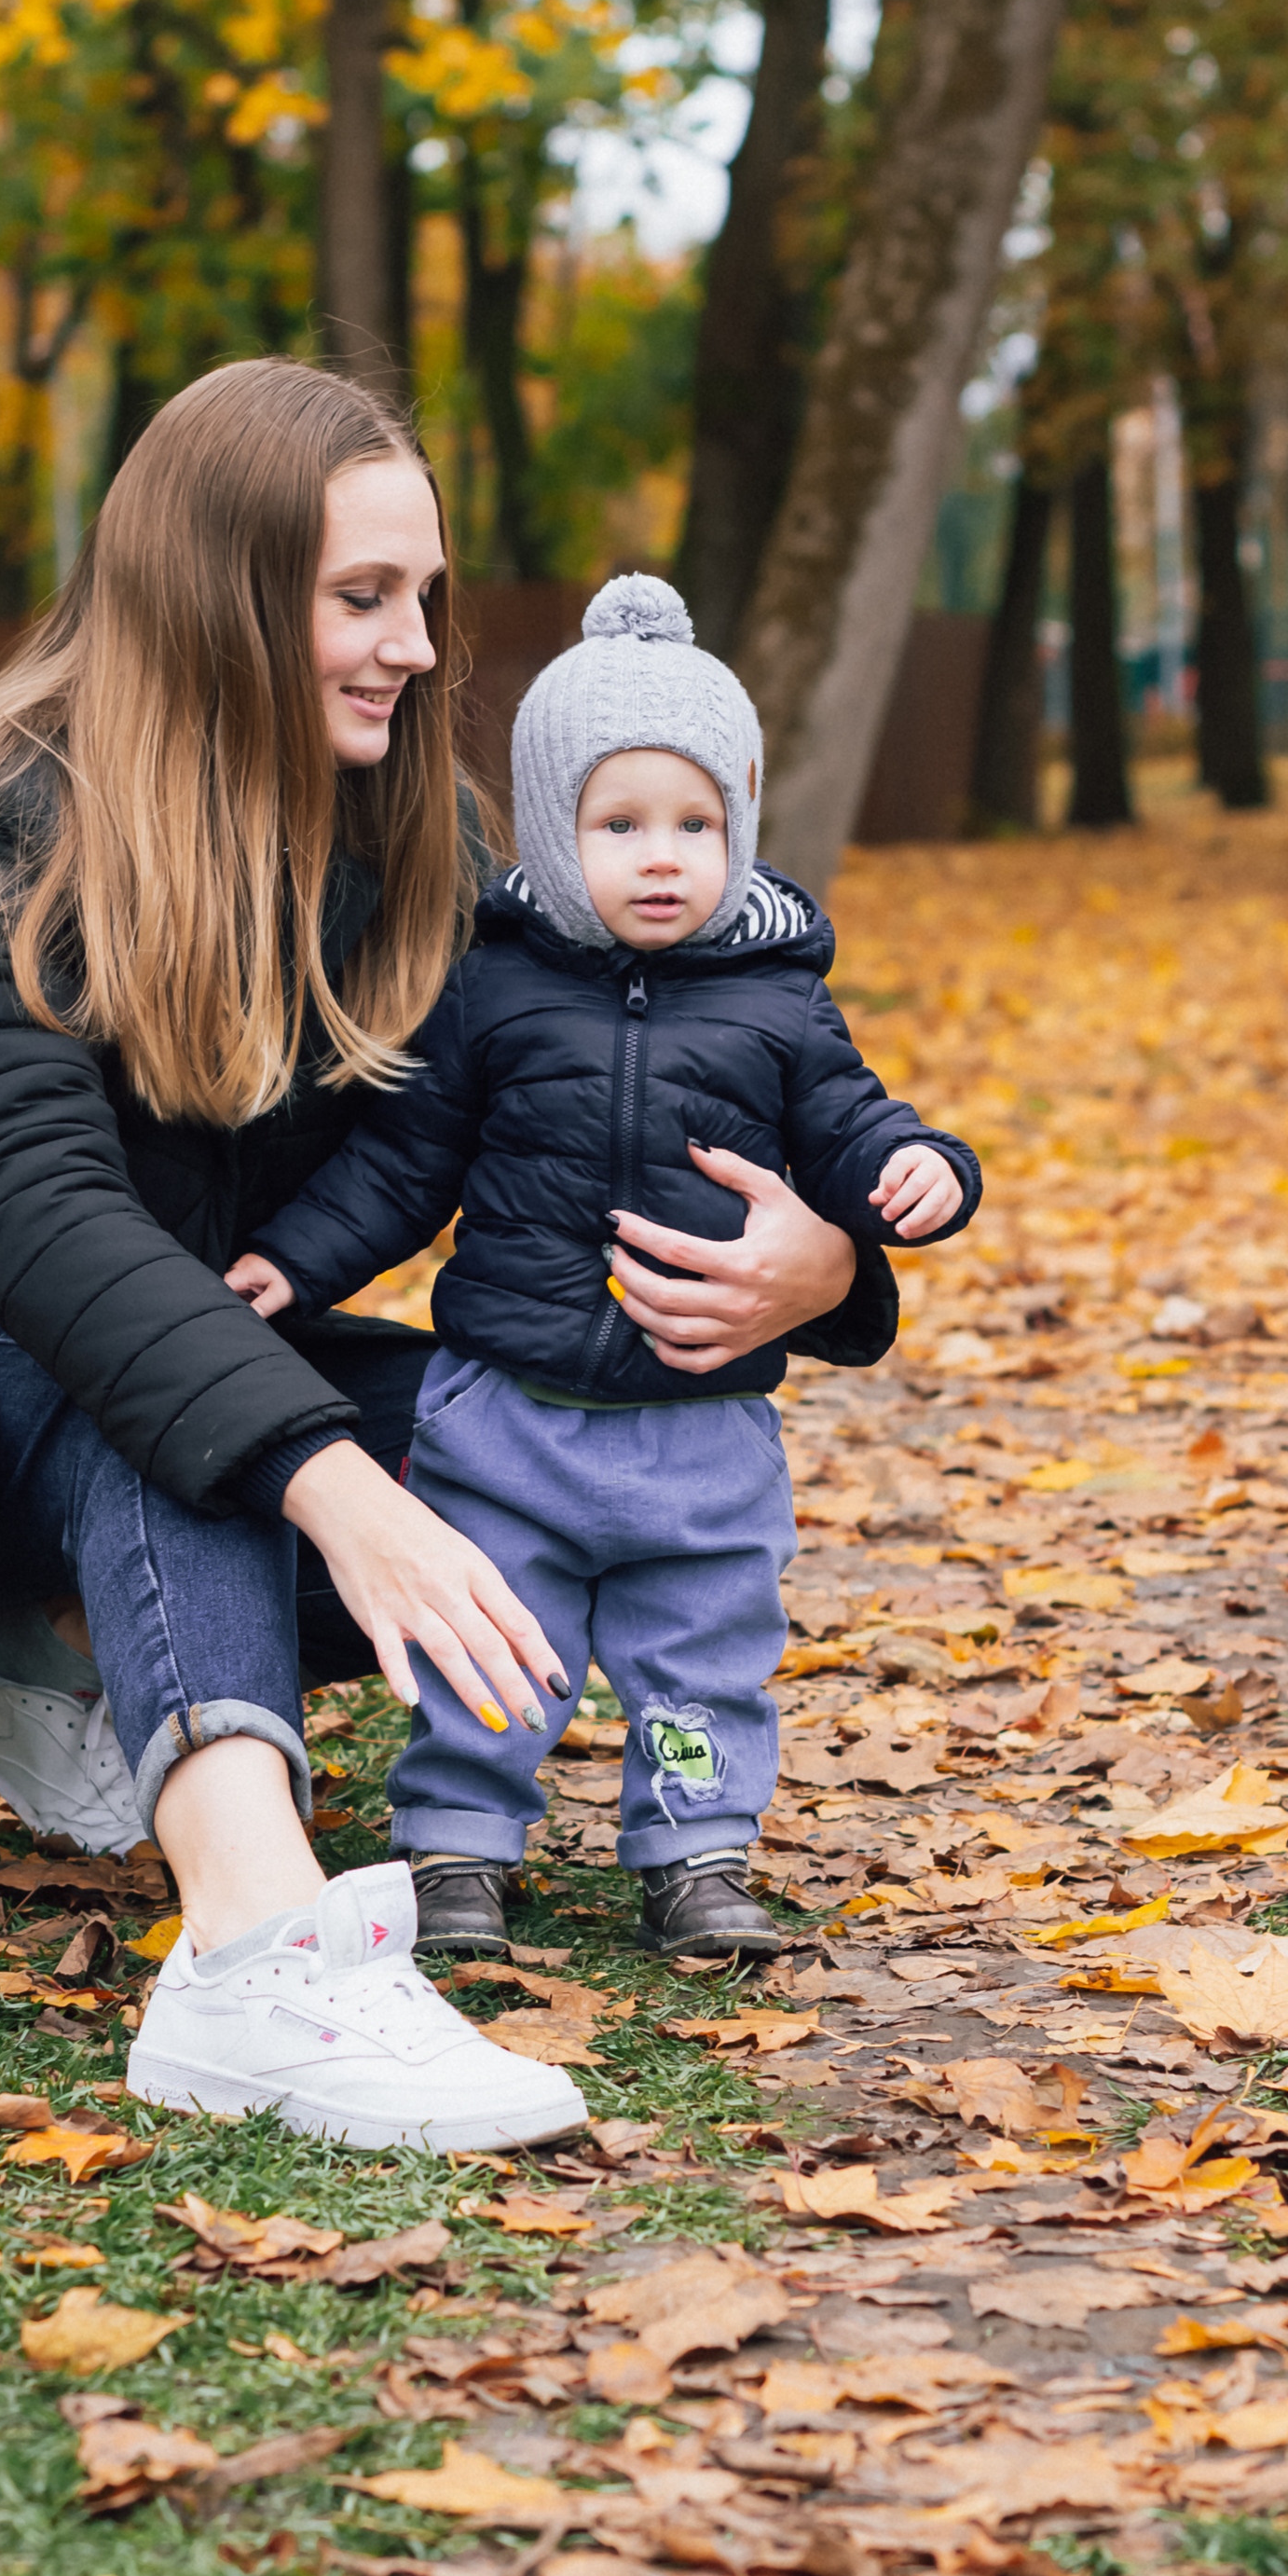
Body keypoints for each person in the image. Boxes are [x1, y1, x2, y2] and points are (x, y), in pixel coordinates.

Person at [0, 364, 895, 2150]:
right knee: (215, 1417)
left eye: (424, 599)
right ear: (221, 593)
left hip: (128, 1340)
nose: (411, 644)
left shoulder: (405, 837)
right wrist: (322, 1474)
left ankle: (63, 1642)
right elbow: (52, 1231)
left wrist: (831, 1275)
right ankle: (248, 1951)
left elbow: (600, 1100)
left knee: (493, 1447)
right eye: (360, 597)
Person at [226, 574, 980, 1960]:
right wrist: (294, 1263)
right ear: (556, 831)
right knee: (493, 1644)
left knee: (702, 1654)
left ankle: (696, 1857)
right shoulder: (493, 986)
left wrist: (923, 1173)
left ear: (739, 824)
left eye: (696, 825)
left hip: (703, 1425)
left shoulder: (782, 1001)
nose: (661, 858)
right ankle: (459, 1849)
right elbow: (407, 1165)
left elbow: (856, 1130)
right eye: (621, 823)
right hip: (507, 1409)